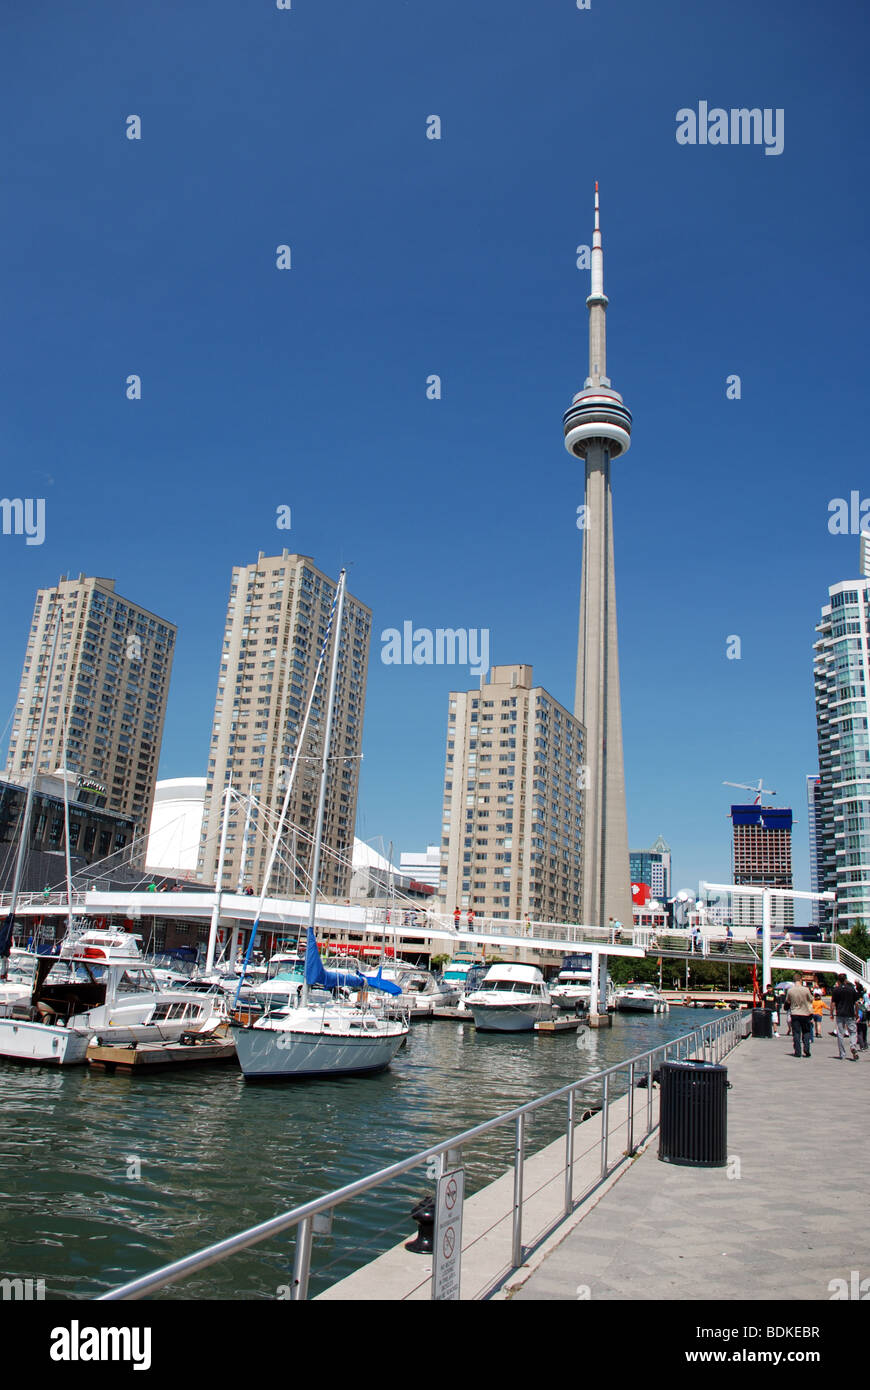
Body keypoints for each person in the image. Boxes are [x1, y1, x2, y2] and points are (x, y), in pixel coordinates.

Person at [830, 974, 859, 1061]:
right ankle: (853, 1046)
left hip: (840, 1014)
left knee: (840, 1034)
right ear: (846, 980)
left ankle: (842, 1054)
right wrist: (856, 1013)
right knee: (853, 1032)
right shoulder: (851, 989)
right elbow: (856, 1003)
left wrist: (831, 1013)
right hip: (850, 1014)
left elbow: (833, 1003)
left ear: (838, 981)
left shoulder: (836, 990)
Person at [785, 973, 814, 1057]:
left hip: (795, 1013)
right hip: (805, 1013)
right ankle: (806, 1049)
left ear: (793, 980)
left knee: (796, 1033)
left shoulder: (790, 990)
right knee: (806, 1031)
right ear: (801, 980)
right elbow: (811, 999)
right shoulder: (806, 990)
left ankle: (797, 1051)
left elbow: (788, 1001)